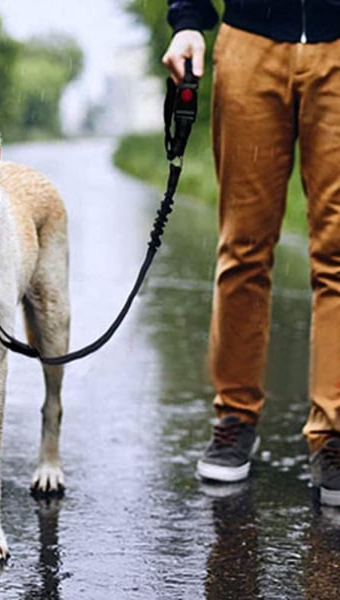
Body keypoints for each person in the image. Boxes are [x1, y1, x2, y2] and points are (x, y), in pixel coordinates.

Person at [162, 0, 340, 505]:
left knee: (337, 257)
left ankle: (333, 434)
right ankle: (234, 418)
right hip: (250, 40)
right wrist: (189, 22)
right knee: (244, 246)